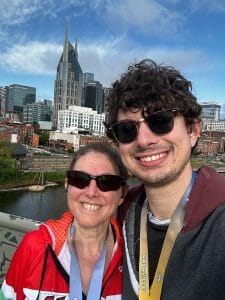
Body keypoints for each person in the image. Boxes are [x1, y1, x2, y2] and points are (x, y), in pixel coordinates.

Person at [105, 59, 225, 300]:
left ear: (193, 131)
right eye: (128, 130)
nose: (144, 140)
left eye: (160, 121)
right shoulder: (123, 211)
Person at [0, 142, 128, 300]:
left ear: (122, 194)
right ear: (67, 185)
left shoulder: (132, 258)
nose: (91, 192)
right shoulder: (35, 247)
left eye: (107, 182)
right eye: (80, 179)